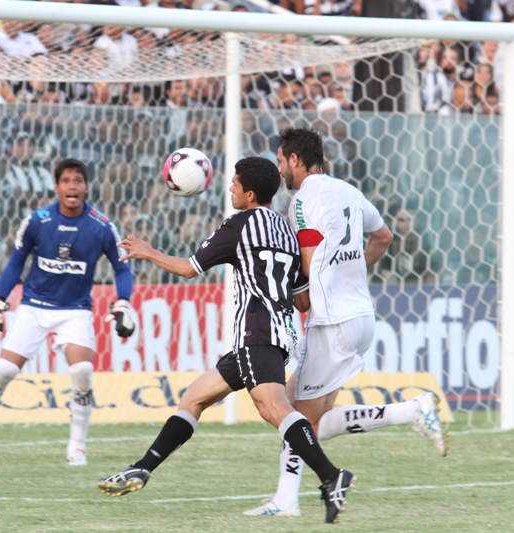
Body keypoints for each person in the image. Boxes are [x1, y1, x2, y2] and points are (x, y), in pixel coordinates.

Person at [96, 157, 355, 524]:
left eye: (234, 185)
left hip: (257, 333)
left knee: (273, 409)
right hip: (278, 333)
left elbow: (189, 269)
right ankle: (142, 468)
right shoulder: (285, 230)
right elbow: (302, 298)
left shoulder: (238, 225)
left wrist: (148, 251)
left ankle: (331, 477)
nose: (229, 189)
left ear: (250, 194)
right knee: (194, 397)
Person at [244, 128, 447, 518]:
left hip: (331, 321)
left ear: (296, 161)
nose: (281, 169)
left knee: (290, 411)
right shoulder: (349, 191)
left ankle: (287, 499)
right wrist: (351, 270)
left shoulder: (302, 201)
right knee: (311, 423)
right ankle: (412, 412)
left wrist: (296, 292)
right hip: (362, 317)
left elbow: (307, 265)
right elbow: (384, 237)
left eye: (282, 161)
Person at [0, 158, 136, 466]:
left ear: (86, 187)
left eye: (78, 180)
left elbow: (121, 267)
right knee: (4, 371)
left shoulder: (101, 226)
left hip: (75, 310)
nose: (72, 186)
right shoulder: (38, 220)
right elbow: (16, 262)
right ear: (57, 187)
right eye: (66, 180)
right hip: (34, 307)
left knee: (82, 372)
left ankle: (77, 447)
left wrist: (124, 301)